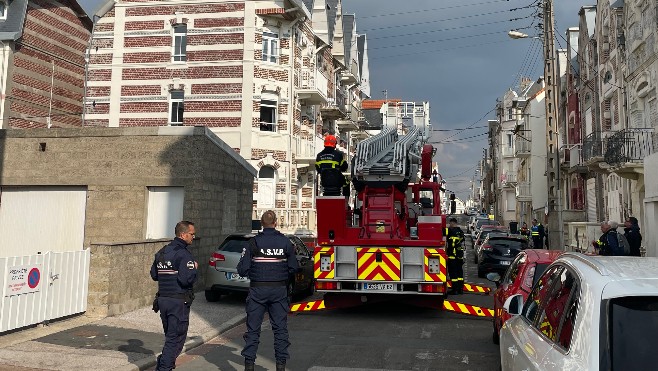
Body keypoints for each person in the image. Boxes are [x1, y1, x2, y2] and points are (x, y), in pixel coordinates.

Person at [237, 210, 300, 371]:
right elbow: (294, 267)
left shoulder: (253, 243)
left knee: (253, 330)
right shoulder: (285, 242)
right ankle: (280, 366)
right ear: (276, 223)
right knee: (280, 329)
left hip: (258, 290)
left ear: (261, 223)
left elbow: (242, 270)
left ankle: (249, 365)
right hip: (279, 290)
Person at [150, 221, 198, 371]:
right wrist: (194, 269)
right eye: (191, 234)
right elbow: (186, 280)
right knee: (176, 338)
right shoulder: (184, 254)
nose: (193, 237)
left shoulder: (162, 252)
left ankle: (165, 362)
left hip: (163, 301)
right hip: (178, 302)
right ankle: (164, 366)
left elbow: (154, 275)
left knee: (170, 337)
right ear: (183, 235)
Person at [445, 218, 465, 295]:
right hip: (459, 256)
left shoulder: (449, 230)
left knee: (453, 274)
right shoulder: (460, 231)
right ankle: (460, 289)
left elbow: (442, 231)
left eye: (450, 223)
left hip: (452, 256)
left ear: (452, 223)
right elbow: (462, 240)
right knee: (460, 273)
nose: (450, 225)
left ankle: (455, 290)